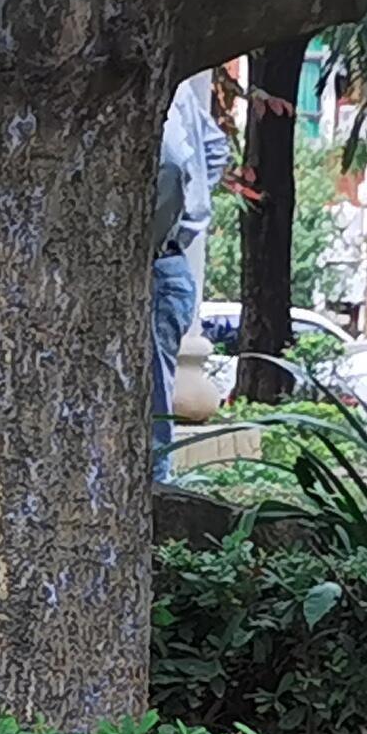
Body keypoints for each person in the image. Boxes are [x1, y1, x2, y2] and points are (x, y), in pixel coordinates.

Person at [151, 70, 227, 482]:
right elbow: (213, 149)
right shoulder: (174, 83)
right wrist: (193, 207)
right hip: (169, 261)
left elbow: (171, 165)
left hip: (154, 264)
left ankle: (154, 496)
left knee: (152, 398)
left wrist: (159, 228)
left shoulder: (154, 85)